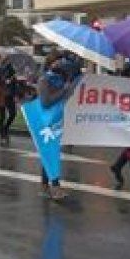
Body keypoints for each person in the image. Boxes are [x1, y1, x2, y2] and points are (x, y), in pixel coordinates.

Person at [38, 53, 82, 200]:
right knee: (51, 154)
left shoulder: (60, 78)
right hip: (48, 121)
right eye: (58, 61)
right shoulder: (45, 79)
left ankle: (45, 186)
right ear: (51, 63)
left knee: (50, 153)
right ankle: (54, 187)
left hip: (58, 118)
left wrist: (69, 86)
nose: (61, 63)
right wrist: (64, 90)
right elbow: (46, 101)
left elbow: (66, 96)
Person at [0, 63, 19, 144]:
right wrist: (4, 80)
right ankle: (2, 135)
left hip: (10, 95)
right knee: (2, 115)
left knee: (13, 113)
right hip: (1, 94)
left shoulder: (11, 69)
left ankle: (5, 128)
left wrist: (15, 94)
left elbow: (14, 83)